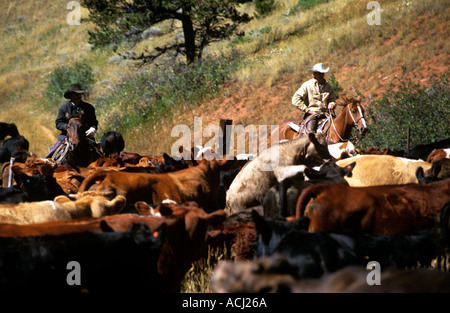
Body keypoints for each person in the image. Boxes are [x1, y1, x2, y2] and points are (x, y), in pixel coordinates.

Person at [46, 83, 98, 158]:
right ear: (71, 95)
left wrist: (93, 129)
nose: (78, 96)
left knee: (98, 153)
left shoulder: (89, 108)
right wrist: (68, 128)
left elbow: (94, 122)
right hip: (66, 137)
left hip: (85, 137)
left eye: (80, 94)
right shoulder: (64, 108)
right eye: (76, 94)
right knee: (52, 154)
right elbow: (58, 123)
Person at [292, 63, 336, 133]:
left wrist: (332, 104)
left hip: (325, 114)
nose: (321, 75)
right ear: (314, 74)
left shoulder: (329, 87)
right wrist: (307, 110)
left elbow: (332, 100)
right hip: (312, 115)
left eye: (322, 73)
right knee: (310, 134)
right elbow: (295, 99)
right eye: (318, 73)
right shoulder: (307, 85)